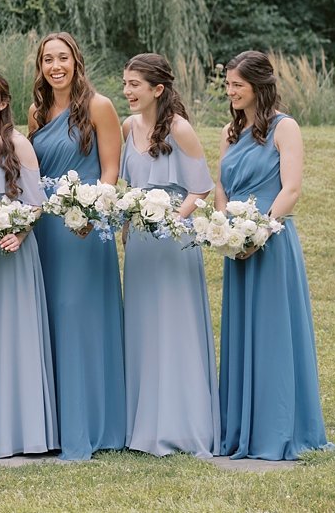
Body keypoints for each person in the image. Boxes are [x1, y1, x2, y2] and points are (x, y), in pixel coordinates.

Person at [216, 50, 330, 460]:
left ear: (260, 86)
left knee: (273, 332)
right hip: (236, 242)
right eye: (228, 85)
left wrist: (256, 233)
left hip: (272, 238)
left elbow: (291, 188)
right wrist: (224, 231)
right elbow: (221, 187)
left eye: (238, 86)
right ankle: (240, 425)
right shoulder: (230, 131)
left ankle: (277, 427)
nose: (231, 93)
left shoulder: (286, 127)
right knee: (242, 332)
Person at [28, 31, 126, 459]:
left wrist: (89, 210)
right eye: (48, 59)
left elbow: (111, 171)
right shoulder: (36, 112)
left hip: (84, 227)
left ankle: (90, 426)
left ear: (76, 61)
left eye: (62, 57)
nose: (55, 66)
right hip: (46, 227)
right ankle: (53, 424)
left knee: (78, 316)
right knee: (49, 316)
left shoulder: (99, 107)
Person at [118, 53, 217, 457]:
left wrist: (171, 217)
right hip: (139, 243)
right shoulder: (127, 127)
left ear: (157, 89)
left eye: (135, 85)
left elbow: (201, 188)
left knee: (173, 328)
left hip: (174, 239)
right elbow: (128, 183)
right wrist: (127, 225)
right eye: (125, 84)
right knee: (144, 327)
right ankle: (142, 426)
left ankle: (181, 426)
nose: (127, 92)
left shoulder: (180, 129)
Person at [0, 70, 57, 459]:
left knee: (12, 333)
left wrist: (19, 232)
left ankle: (23, 431)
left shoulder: (17, 143)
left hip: (11, 249)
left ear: (3, 103)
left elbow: (36, 202)